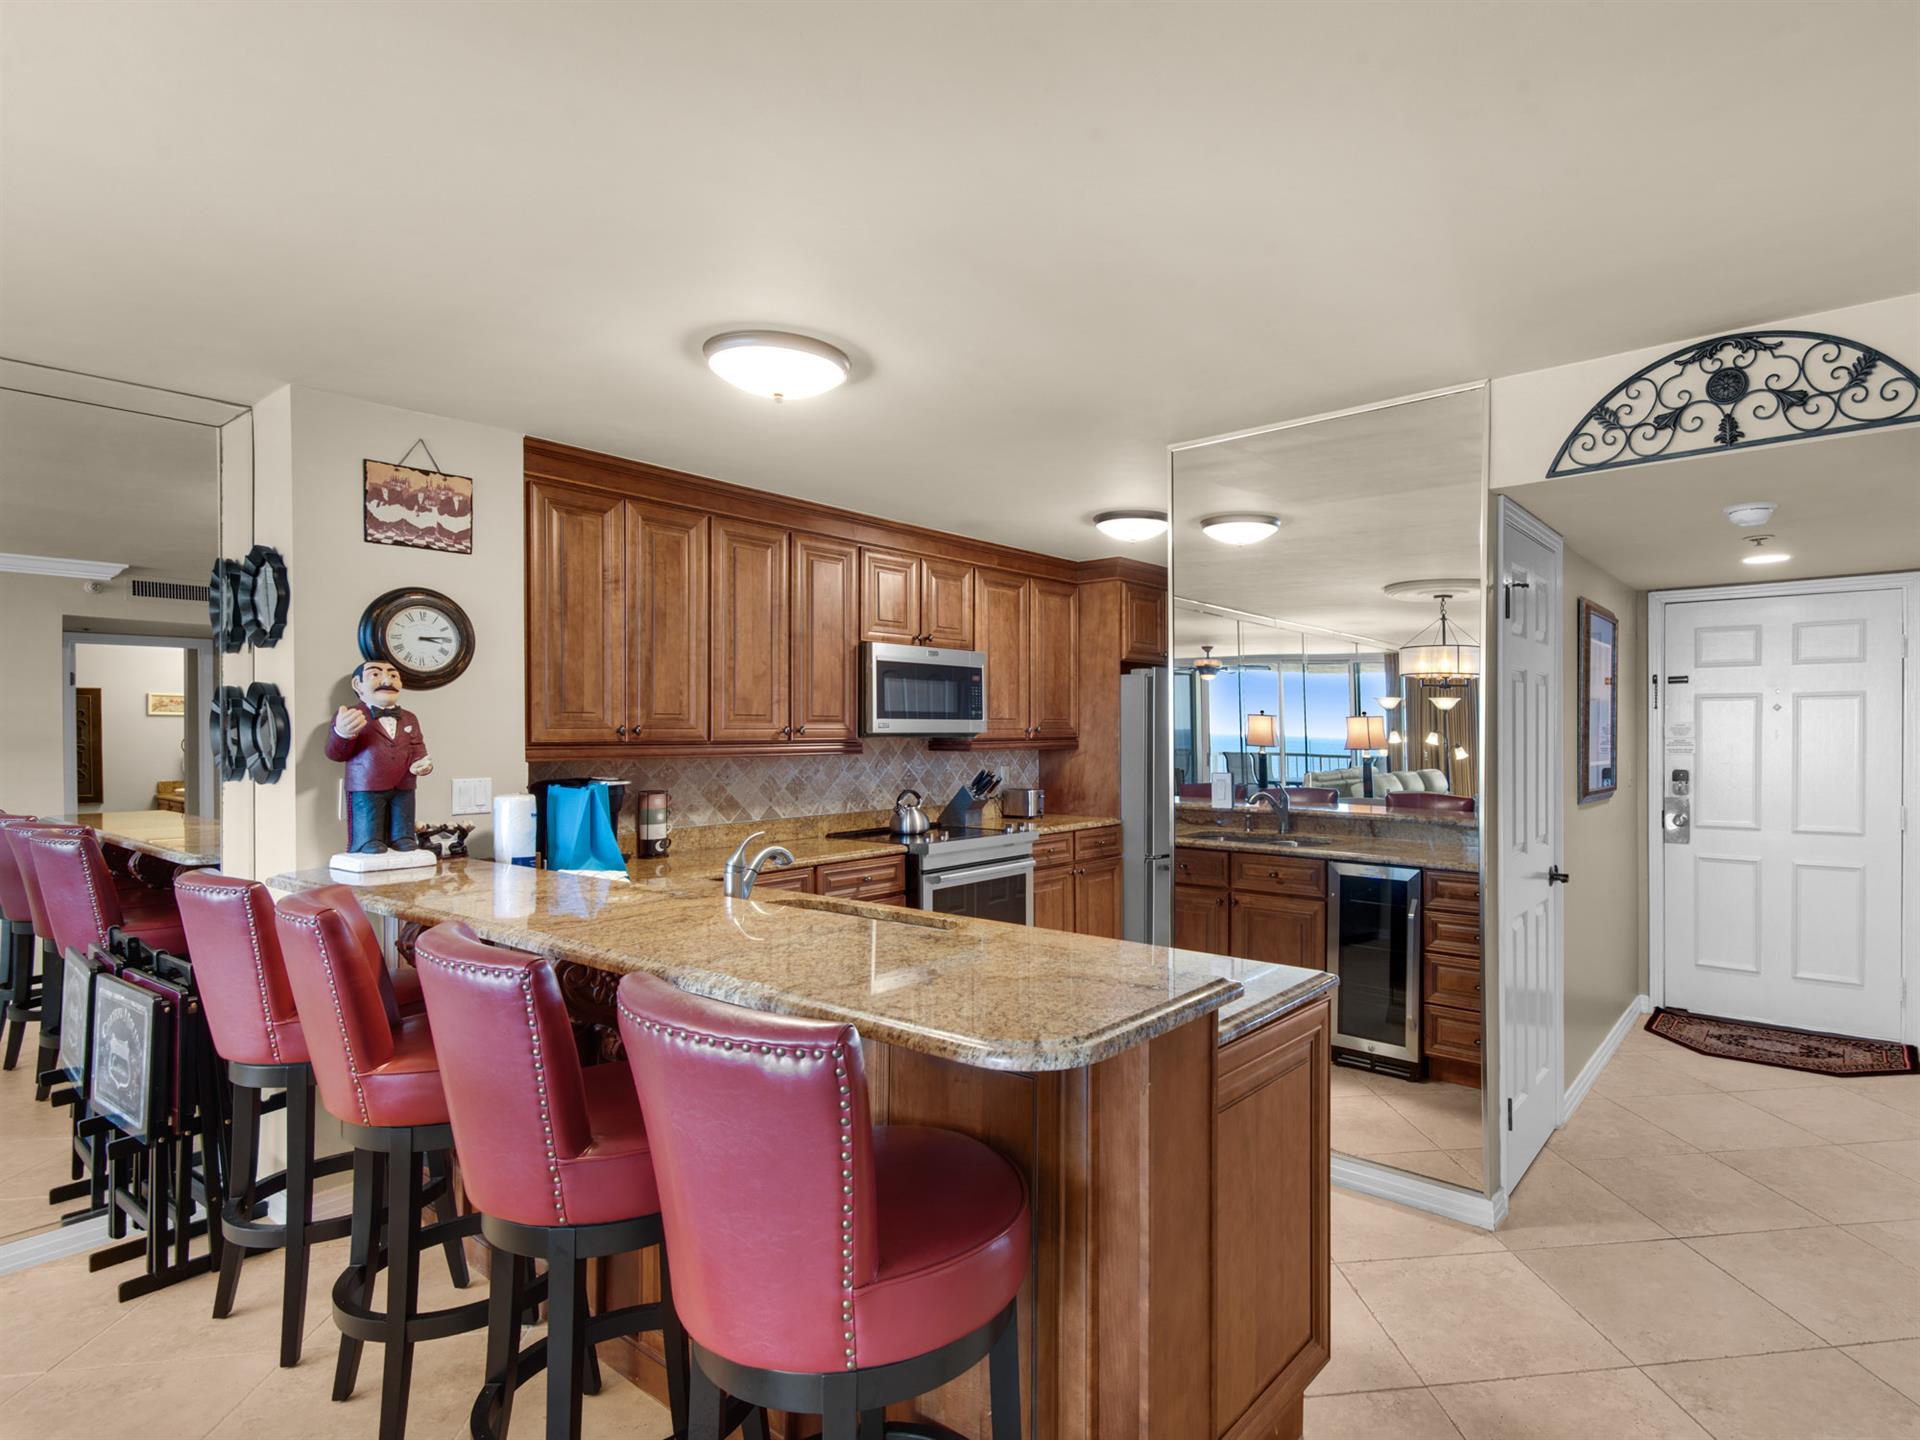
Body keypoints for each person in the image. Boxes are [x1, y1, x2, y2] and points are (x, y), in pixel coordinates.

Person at [326, 660, 432, 854]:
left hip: (404, 782)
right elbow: (335, 754)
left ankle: (403, 837)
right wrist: (342, 734)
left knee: (404, 813)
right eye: (375, 675)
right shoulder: (351, 716)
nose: (386, 680)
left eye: (393, 676)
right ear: (358, 685)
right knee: (368, 814)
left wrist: (422, 762)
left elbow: (417, 746)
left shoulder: (410, 717)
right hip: (367, 783)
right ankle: (368, 841)